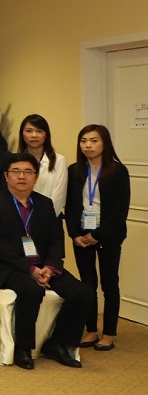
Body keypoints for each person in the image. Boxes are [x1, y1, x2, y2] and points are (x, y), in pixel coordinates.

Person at [0, 153, 93, 369]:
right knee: (31, 290)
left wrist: (50, 267)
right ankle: (23, 349)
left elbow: (56, 239)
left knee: (83, 293)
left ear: (36, 176)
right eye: (16, 171)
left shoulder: (44, 203)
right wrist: (30, 269)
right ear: (6, 176)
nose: (22, 176)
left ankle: (57, 343)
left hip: (44, 265)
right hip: (7, 267)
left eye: (28, 172)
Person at [66, 125, 132, 352]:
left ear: (104, 143)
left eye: (94, 141)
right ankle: (91, 330)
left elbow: (120, 211)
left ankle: (109, 333)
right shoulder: (74, 170)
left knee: (109, 284)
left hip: (108, 235)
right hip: (82, 235)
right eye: (83, 140)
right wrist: (75, 234)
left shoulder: (118, 171)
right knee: (87, 284)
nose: (88, 145)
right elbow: (70, 206)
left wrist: (98, 235)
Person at [18, 114, 68, 214]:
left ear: (46, 135)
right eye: (29, 131)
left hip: (50, 217)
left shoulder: (59, 160)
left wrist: (43, 217)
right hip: (22, 217)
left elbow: (59, 196)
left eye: (39, 131)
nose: (34, 135)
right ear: (22, 134)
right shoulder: (16, 162)